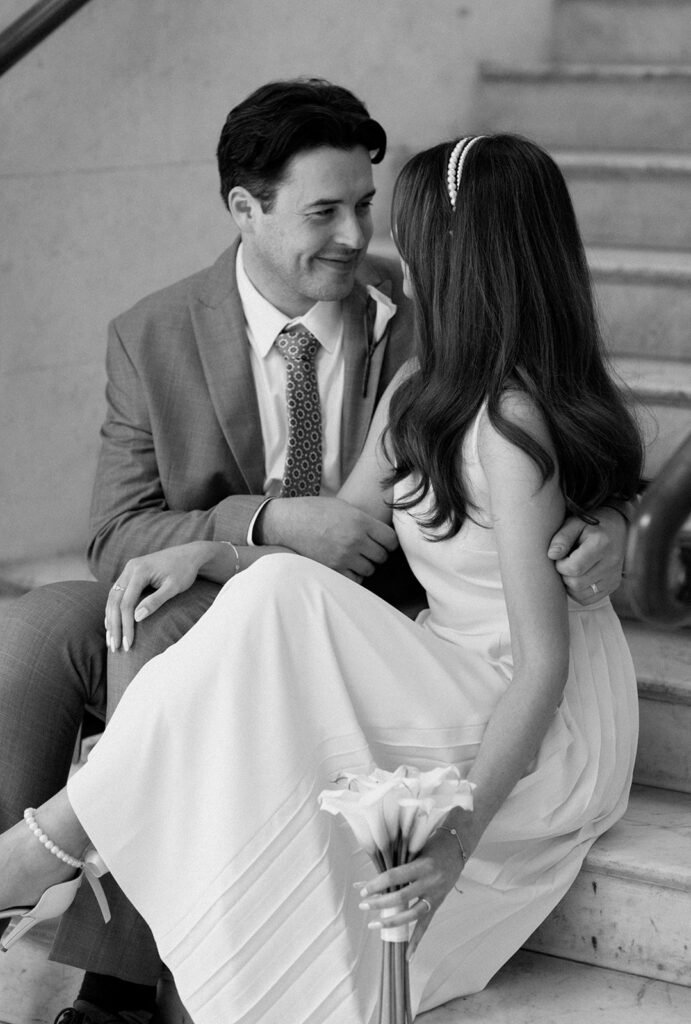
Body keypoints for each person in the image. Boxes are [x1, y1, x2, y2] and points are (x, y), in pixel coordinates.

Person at [0, 133, 643, 1024]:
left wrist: (456, 836)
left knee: (267, 608)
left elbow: (542, 669)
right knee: (251, 599)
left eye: (408, 236)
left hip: (538, 712)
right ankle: (62, 861)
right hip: (446, 662)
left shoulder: (510, 422)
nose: (391, 255)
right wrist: (213, 553)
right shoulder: (423, 385)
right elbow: (335, 538)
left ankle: (44, 850)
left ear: (461, 262)